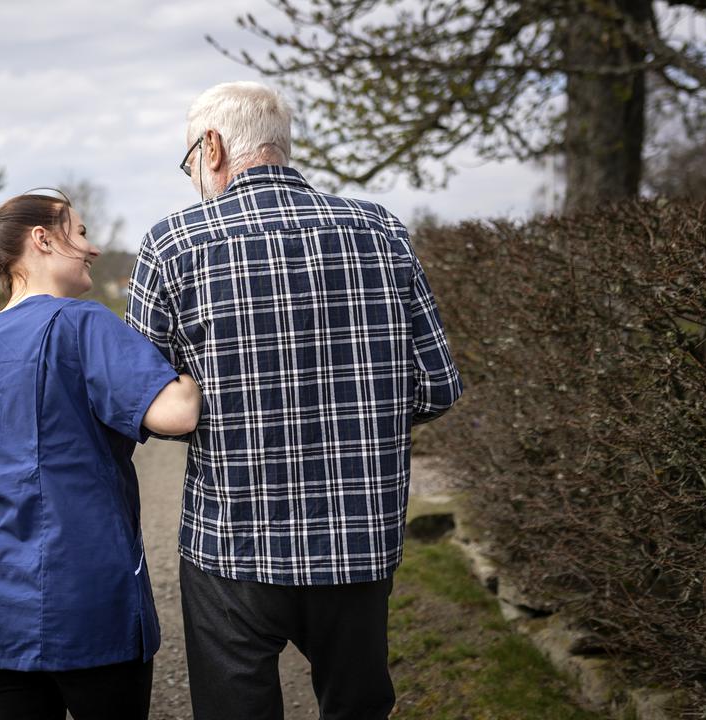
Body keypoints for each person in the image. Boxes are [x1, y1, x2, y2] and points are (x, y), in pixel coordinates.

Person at [126, 81, 462, 720]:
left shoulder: (173, 244)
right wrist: (363, 416)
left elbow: (147, 402)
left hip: (232, 542)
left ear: (213, 147)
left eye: (189, 161)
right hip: (359, 537)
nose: (193, 177)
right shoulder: (381, 230)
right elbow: (438, 385)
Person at [0, 189, 202, 720]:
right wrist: (194, 367)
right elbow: (177, 413)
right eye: (80, 233)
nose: (93, 248)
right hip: (83, 597)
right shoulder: (81, 322)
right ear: (42, 239)